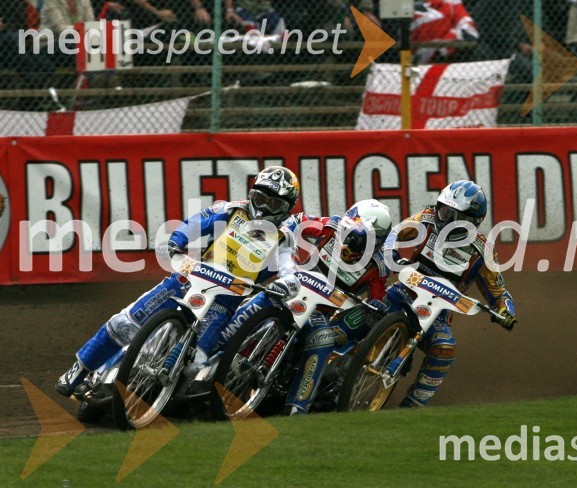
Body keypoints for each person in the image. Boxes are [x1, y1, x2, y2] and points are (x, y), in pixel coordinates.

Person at [55, 166, 302, 397]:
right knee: (123, 325)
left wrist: (288, 283)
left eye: (274, 203)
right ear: (251, 194)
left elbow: (290, 269)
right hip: (188, 279)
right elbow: (194, 223)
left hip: (223, 303)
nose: (264, 207)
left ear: (287, 207)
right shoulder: (230, 210)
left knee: (195, 363)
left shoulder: (284, 238)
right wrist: (176, 240)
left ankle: (163, 400)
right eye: (260, 198)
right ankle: (78, 371)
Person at [383, 180, 517, 407]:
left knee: (444, 348)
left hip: (437, 314)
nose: (446, 219)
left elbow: (499, 291)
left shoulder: (483, 251)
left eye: (457, 217)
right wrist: (392, 254)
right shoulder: (426, 218)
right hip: (402, 293)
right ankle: (336, 364)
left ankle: (413, 405)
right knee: (369, 311)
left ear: (473, 222)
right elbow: (394, 233)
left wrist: (506, 311)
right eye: (444, 211)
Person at [276, 199, 394, 415]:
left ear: (378, 241)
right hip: (289, 291)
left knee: (323, 339)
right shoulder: (330, 225)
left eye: (365, 238)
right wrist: (284, 239)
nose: (354, 241)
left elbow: (378, 300)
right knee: (253, 302)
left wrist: (377, 307)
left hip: (319, 313)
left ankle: (297, 408)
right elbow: (296, 221)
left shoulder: (378, 266)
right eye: (352, 233)